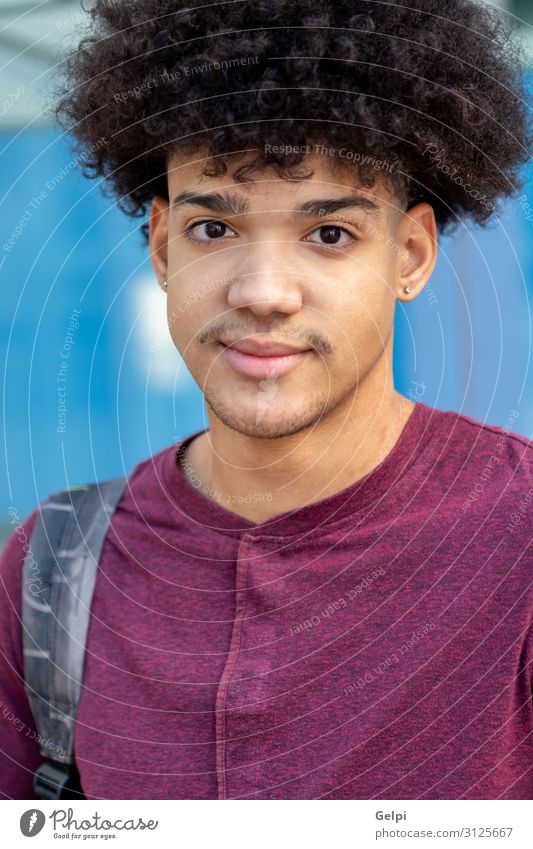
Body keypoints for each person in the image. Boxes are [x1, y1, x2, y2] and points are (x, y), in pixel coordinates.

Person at [1, 0, 532, 800]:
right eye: (214, 227)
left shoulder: (518, 542)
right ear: (160, 246)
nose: (262, 293)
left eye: (328, 235)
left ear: (411, 254)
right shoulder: (57, 565)